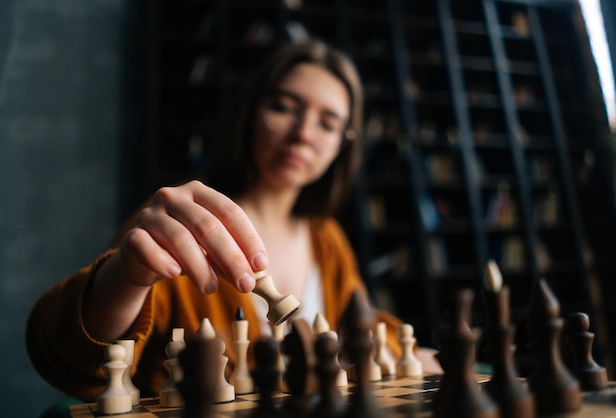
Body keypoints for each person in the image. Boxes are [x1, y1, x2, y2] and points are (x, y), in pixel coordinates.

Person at [26, 39, 439, 403]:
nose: (303, 134)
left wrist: (392, 348)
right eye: (283, 106)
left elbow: (364, 323)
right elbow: (67, 362)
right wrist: (126, 277)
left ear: (342, 146)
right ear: (250, 113)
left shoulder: (326, 237)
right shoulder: (179, 224)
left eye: (328, 123)